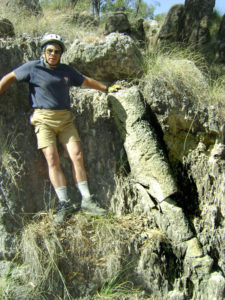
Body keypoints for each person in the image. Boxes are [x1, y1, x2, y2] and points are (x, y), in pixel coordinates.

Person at [0, 33, 121, 224]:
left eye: (57, 51)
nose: (53, 54)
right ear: (43, 52)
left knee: (77, 155)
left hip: (66, 120)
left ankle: (87, 200)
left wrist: (106, 88)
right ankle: (64, 203)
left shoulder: (66, 71)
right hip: (43, 120)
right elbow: (10, 77)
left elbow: (86, 81)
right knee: (52, 159)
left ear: (60, 54)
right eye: (50, 50)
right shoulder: (33, 67)